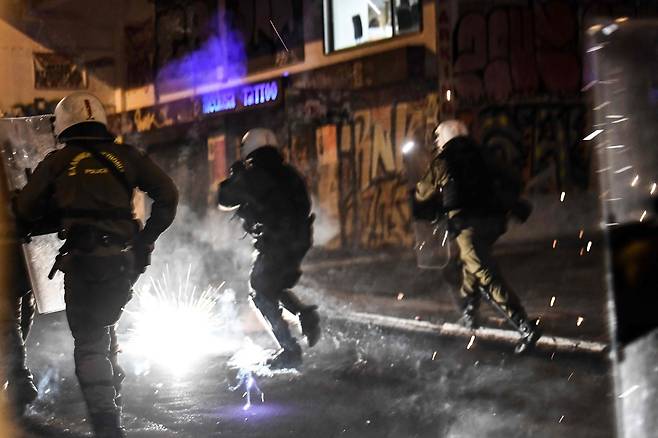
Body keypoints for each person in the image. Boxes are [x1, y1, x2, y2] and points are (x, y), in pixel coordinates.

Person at [14, 92, 178, 437]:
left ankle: (107, 425)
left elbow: (24, 211)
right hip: (123, 263)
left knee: (89, 342)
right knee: (106, 328)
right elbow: (168, 194)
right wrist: (146, 238)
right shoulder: (125, 156)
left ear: (62, 125)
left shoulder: (57, 162)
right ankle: (111, 399)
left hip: (84, 263)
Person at [413, 119, 540, 354]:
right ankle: (470, 312)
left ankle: (525, 327)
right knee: (470, 262)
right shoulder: (484, 155)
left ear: (447, 138)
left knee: (485, 273)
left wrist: (428, 206)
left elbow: (422, 192)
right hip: (494, 223)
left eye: (439, 138)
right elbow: (511, 176)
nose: (437, 143)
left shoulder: (444, 161)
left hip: (466, 226)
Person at [217, 128, 320, 369]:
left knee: (260, 291)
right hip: (300, 239)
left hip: (276, 241)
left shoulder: (254, 175)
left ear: (248, 150)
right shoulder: (289, 173)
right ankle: (304, 314)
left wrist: (237, 176)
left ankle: (289, 350)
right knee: (272, 286)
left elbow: (224, 197)